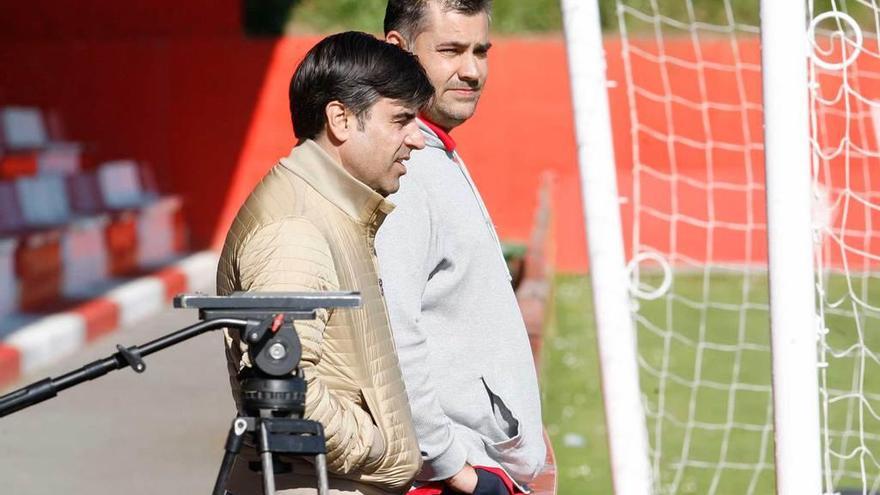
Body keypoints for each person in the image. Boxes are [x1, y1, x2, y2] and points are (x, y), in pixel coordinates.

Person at [216, 31, 434, 495]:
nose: (417, 139)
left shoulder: (327, 208)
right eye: (401, 120)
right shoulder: (296, 226)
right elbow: (280, 389)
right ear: (340, 119)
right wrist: (377, 449)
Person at [376, 2, 546, 494]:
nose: (471, 71)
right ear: (399, 51)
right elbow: (392, 333)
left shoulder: (433, 150)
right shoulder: (402, 171)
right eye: (450, 50)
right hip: (451, 478)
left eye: (480, 51)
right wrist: (453, 466)